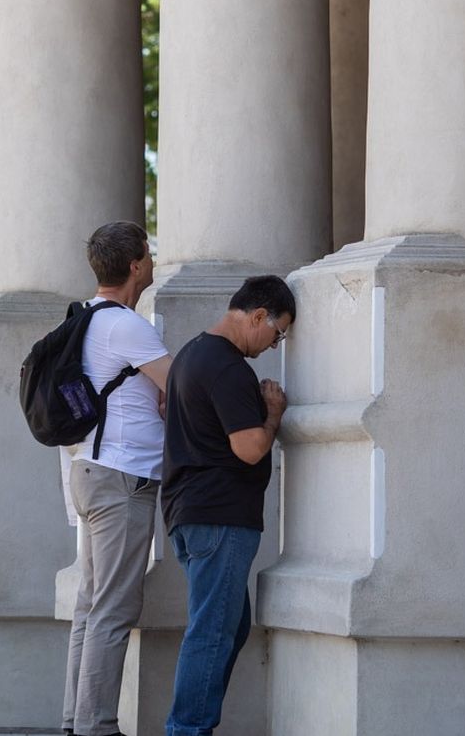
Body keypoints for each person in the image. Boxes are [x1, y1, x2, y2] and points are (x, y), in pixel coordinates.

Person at [161, 275, 295, 736]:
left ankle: (191, 723)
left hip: (192, 515)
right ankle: (187, 729)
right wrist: (273, 412)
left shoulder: (191, 354)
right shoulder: (229, 367)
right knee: (213, 632)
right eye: (278, 333)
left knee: (229, 627)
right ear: (258, 316)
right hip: (219, 518)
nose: (275, 345)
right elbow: (251, 448)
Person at [62, 221, 172, 736]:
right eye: (148, 255)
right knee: (112, 609)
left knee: (91, 607)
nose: (151, 263)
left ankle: (76, 720)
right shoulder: (127, 325)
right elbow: (181, 390)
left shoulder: (89, 320)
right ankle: (96, 727)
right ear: (135, 265)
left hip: (91, 470)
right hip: (121, 477)